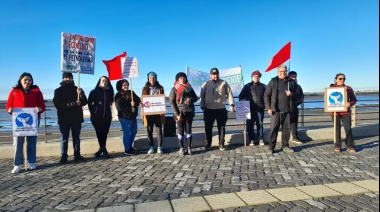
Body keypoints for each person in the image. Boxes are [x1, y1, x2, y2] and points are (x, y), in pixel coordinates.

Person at [6, 72, 46, 173]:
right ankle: (17, 164)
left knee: (32, 142)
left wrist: (39, 109)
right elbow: (8, 105)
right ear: (21, 81)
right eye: (25, 80)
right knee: (18, 142)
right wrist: (10, 110)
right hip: (18, 123)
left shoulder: (37, 92)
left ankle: (31, 162)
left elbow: (42, 106)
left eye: (29, 80)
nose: (27, 82)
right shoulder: (14, 91)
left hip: (32, 121)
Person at [264, 64, 302, 154]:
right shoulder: (273, 82)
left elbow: (299, 94)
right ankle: (271, 146)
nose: (283, 73)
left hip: (288, 110)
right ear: (278, 72)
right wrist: (268, 107)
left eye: (284, 71)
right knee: (274, 129)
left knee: (286, 130)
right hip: (275, 110)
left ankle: (285, 145)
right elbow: (266, 95)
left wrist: (291, 93)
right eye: (281, 71)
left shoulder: (291, 82)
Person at [53, 72, 88, 163]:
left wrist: (81, 94)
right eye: (66, 78)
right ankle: (64, 155)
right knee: (64, 138)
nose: (68, 79)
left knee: (76, 137)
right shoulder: (58, 91)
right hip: (64, 119)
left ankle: (77, 154)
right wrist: (73, 104)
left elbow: (84, 102)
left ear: (72, 79)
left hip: (76, 118)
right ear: (63, 79)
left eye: (69, 78)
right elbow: (59, 105)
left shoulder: (78, 89)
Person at [200, 68, 235, 151]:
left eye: (217, 74)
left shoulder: (224, 83)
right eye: (213, 74)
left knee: (222, 127)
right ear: (210, 75)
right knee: (208, 127)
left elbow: (229, 93)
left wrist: (231, 104)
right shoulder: (206, 84)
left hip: (221, 109)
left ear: (219, 74)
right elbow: (202, 95)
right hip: (209, 109)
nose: (215, 76)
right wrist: (202, 106)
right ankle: (208, 143)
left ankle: (221, 144)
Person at [169, 72, 199, 156]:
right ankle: (181, 148)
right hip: (179, 114)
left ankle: (189, 147)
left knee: (189, 130)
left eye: (184, 77)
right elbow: (171, 102)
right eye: (180, 78)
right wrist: (177, 114)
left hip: (189, 112)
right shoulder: (174, 89)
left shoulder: (189, 87)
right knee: (180, 131)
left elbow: (196, 97)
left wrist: (190, 99)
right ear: (177, 79)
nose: (182, 79)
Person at [88, 76, 114, 158]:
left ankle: (101, 149)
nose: (104, 82)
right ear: (99, 81)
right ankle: (104, 149)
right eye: (103, 80)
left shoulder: (110, 92)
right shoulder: (94, 92)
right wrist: (93, 111)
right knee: (99, 133)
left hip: (107, 116)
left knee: (105, 133)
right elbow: (89, 103)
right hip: (96, 116)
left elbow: (112, 103)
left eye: (106, 81)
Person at [330, 73, 357, 153]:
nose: (342, 80)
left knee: (348, 129)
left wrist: (350, 103)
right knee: (337, 129)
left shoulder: (348, 88)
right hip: (335, 113)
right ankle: (337, 146)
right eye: (340, 78)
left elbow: (353, 99)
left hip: (345, 112)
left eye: (344, 79)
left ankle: (350, 146)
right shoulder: (331, 88)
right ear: (336, 79)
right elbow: (328, 99)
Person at [238, 70, 266, 146]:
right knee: (250, 125)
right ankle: (251, 139)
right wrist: (242, 103)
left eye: (258, 76)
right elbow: (241, 96)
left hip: (260, 109)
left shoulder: (263, 86)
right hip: (249, 110)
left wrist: (265, 104)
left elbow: (267, 96)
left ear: (260, 77)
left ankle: (260, 139)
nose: (256, 78)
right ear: (252, 77)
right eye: (255, 76)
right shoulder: (247, 86)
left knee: (260, 124)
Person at [141, 72, 165, 154]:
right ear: (148, 79)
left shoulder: (160, 88)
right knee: (149, 130)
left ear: (156, 78)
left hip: (158, 113)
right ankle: (151, 147)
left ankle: (159, 147)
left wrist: (162, 107)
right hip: (148, 113)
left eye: (154, 78)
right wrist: (141, 104)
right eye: (150, 78)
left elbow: (162, 99)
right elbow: (143, 99)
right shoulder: (145, 88)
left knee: (159, 130)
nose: (152, 79)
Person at [115, 79, 141, 155]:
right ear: (120, 86)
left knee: (134, 131)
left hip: (133, 116)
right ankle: (127, 149)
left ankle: (130, 146)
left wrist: (135, 103)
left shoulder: (131, 93)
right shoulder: (118, 95)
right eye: (124, 85)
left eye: (127, 84)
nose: (126, 86)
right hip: (124, 117)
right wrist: (130, 108)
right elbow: (119, 107)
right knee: (127, 132)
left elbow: (138, 100)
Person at [288, 71, 304, 144]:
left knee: (294, 123)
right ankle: (285, 138)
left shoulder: (298, 86)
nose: (293, 78)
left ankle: (295, 137)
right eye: (292, 76)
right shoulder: (286, 85)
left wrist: (295, 104)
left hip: (294, 108)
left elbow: (301, 97)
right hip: (285, 108)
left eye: (294, 76)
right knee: (285, 123)